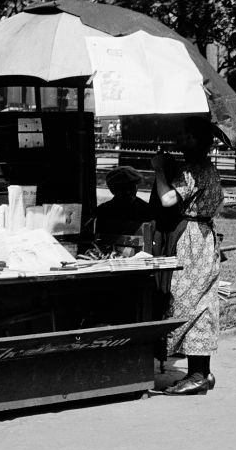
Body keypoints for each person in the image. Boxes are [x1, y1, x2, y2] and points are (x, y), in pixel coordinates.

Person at [150, 115, 225, 396]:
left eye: (187, 136)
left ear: (199, 140)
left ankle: (196, 374)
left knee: (187, 302)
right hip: (203, 237)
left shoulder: (194, 169)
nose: (181, 141)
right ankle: (201, 371)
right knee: (201, 301)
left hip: (191, 240)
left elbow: (169, 199)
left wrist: (159, 172)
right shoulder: (208, 168)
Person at [96, 166, 153, 230]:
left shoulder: (102, 210)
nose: (127, 192)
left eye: (130, 187)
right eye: (123, 188)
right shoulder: (146, 209)